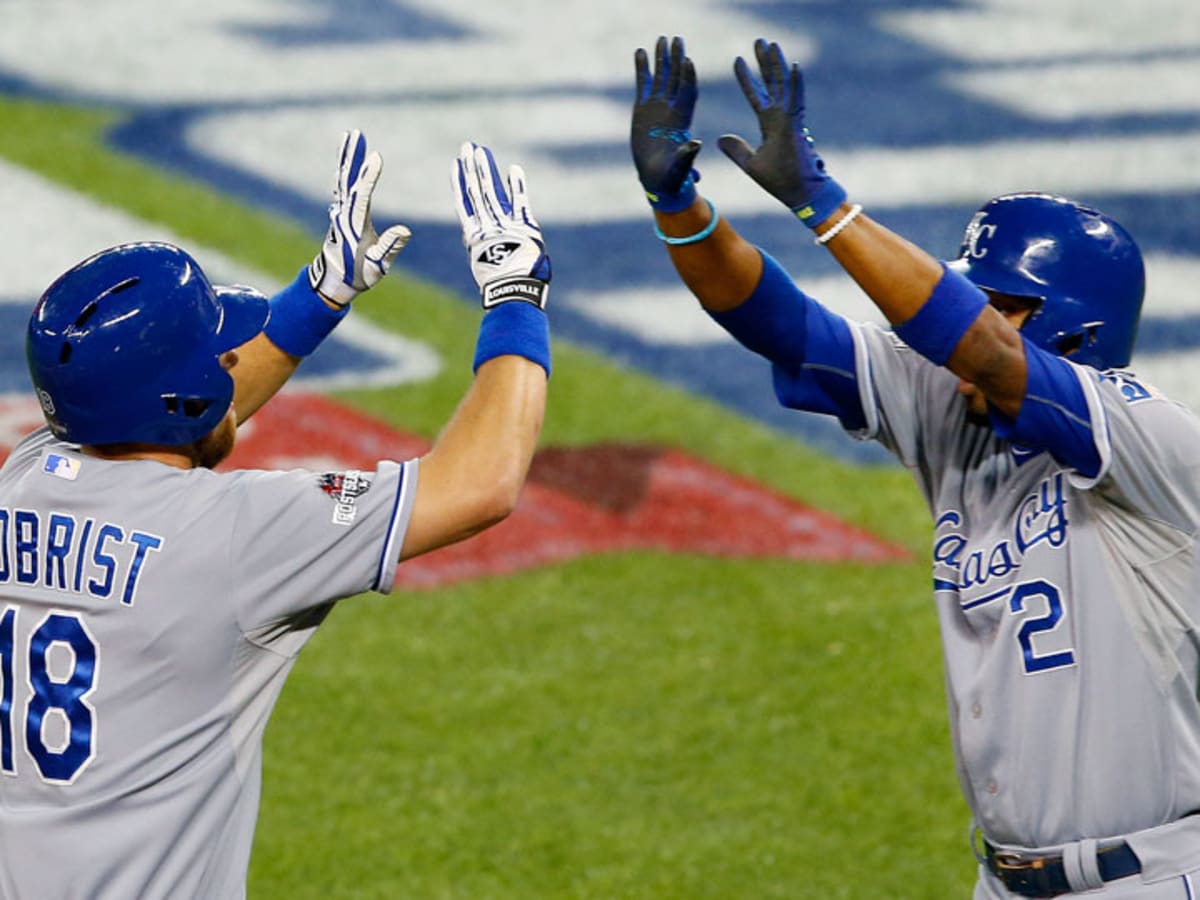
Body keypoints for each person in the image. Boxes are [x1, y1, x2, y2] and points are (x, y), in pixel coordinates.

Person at [632, 35, 1200, 899]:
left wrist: (824, 204)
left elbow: (978, 347)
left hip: (1153, 878)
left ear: (1071, 333)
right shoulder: (951, 412)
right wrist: (677, 204)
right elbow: (781, 324)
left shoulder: (1150, 443)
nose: (967, 317)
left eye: (995, 301)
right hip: (1002, 881)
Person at [0, 131, 552, 899]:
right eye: (221, 357)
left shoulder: (24, 478)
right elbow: (482, 482)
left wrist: (320, 297)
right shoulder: (237, 535)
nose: (233, 362)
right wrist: (515, 297)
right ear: (182, 396)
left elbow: (172, 423)